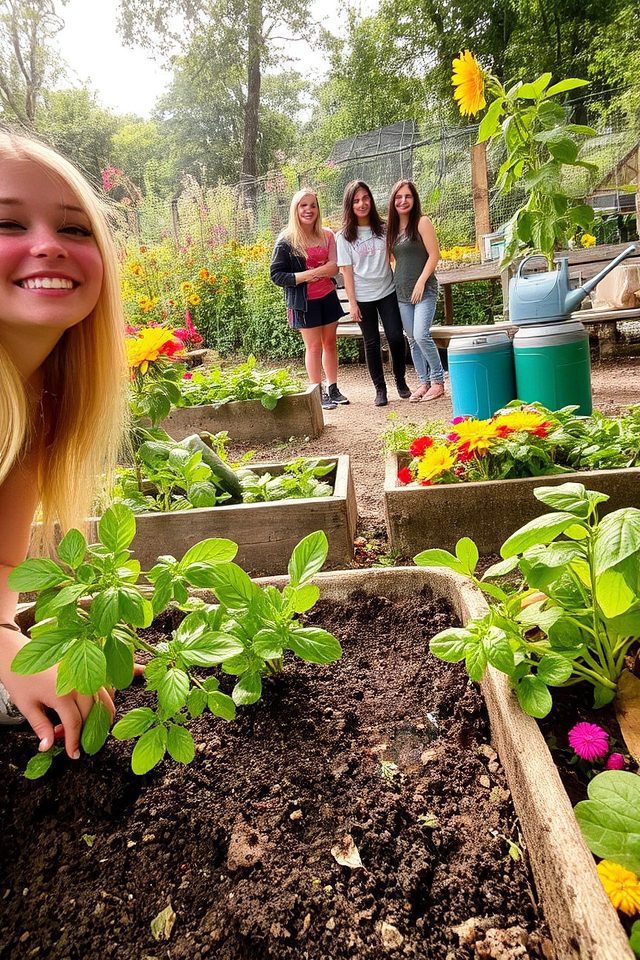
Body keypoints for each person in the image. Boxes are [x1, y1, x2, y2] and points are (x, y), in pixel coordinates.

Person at [0, 131, 128, 759]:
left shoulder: (37, 400)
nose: (48, 246)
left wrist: (10, 642)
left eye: (76, 230)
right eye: (6, 223)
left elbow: (1, 566)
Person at [270, 189, 348, 411]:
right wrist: (308, 275)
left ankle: (333, 387)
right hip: (304, 302)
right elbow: (276, 274)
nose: (308, 210)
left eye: (313, 205)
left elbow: (335, 267)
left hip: (327, 297)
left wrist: (320, 271)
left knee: (330, 344)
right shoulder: (286, 240)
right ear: (295, 209)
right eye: (303, 205)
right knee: (313, 347)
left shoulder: (327, 235)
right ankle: (317, 391)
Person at [336, 180, 411, 407]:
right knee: (371, 343)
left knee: (396, 337)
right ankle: (380, 389)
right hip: (363, 297)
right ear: (350, 205)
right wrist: (352, 303)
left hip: (387, 291)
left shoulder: (384, 228)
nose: (362, 204)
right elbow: (346, 271)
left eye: (365, 198)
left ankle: (400, 380)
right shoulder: (344, 237)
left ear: (371, 200)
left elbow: (398, 255)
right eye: (356, 200)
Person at [386, 180, 444, 401]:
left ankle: (438, 381)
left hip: (424, 290)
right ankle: (423, 382)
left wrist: (421, 281)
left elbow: (434, 255)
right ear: (393, 201)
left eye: (407, 196)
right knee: (411, 338)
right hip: (401, 293)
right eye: (398, 197)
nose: (403, 201)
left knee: (421, 334)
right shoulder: (391, 230)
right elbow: (390, 260)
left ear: (414, 199)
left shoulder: (422, 222)